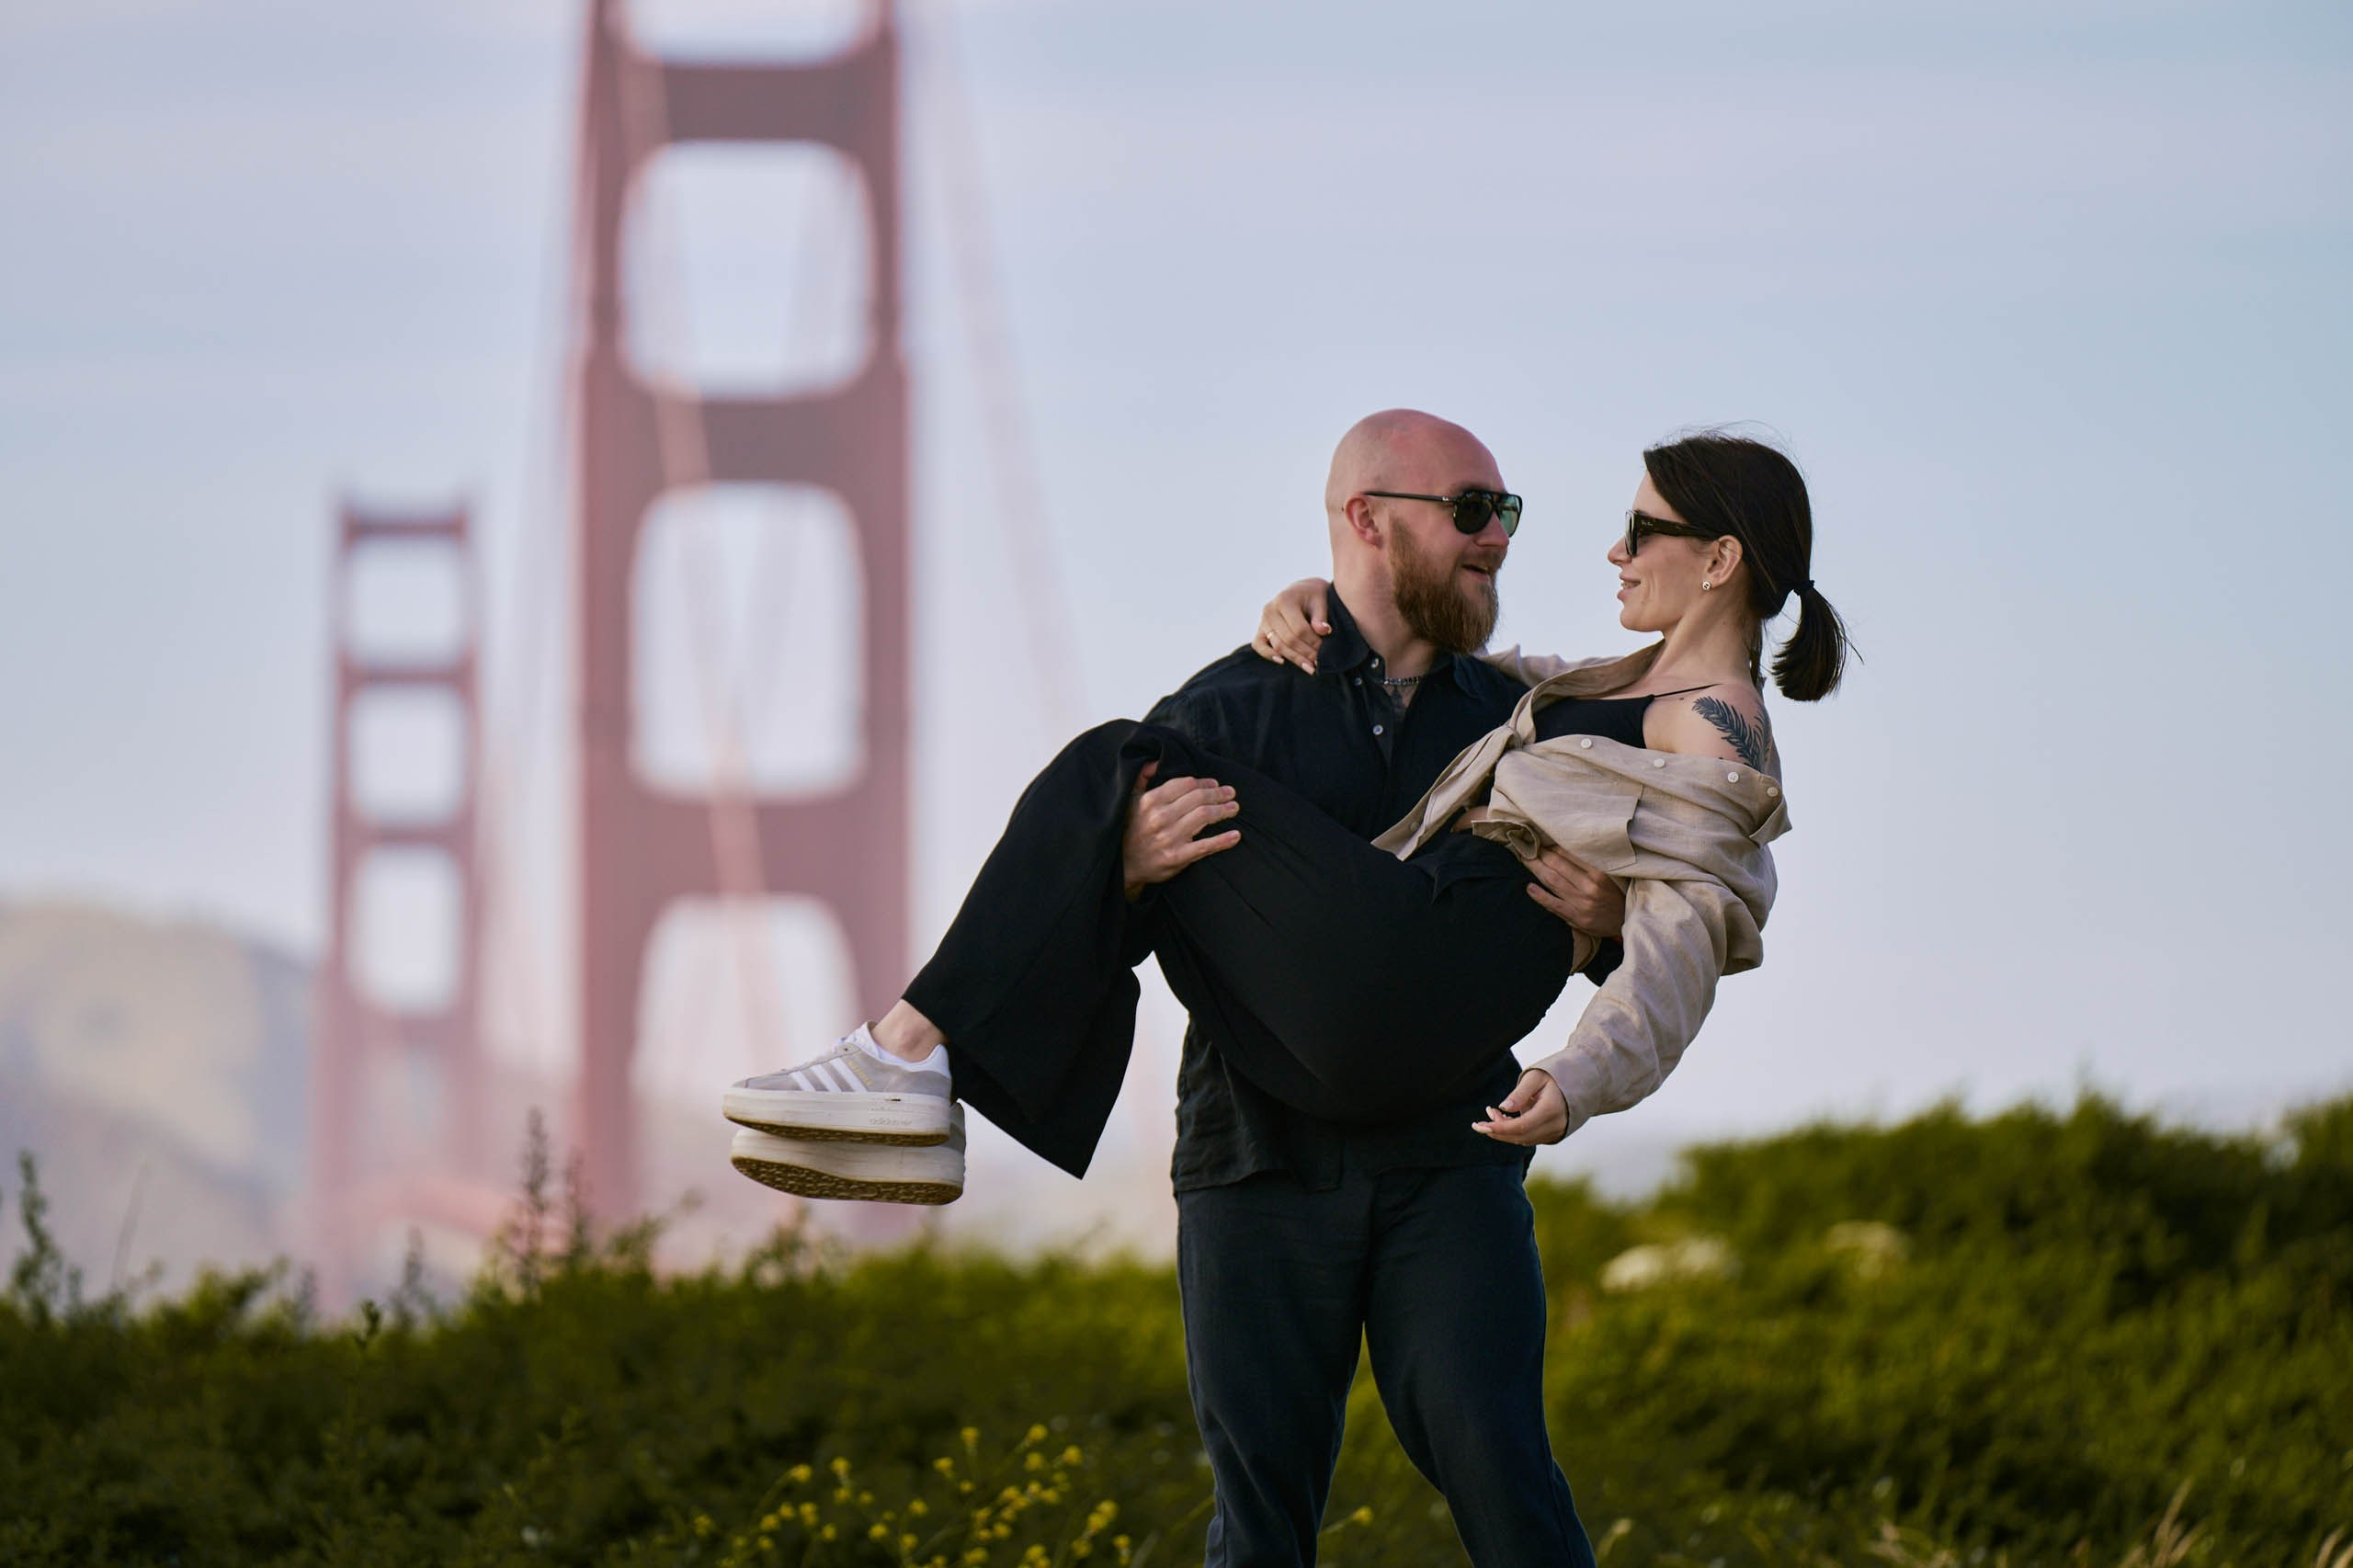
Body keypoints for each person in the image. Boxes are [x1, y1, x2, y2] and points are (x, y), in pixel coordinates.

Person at [721, 414, 1848, 1566]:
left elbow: (1693, 930)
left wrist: (1584, 1061)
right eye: (1474, 511)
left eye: (1634, 530)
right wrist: (1128, 856)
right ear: (1367, 520)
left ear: (1720, 558)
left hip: (1434, 1085)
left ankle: (907, 1055)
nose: (1562, 545)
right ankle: (912, 1064)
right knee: (1261, 1510)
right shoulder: (1490, 689)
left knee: (1118, 763)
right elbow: (1532, 716)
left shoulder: (1713, 720)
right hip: (1272, 1130)